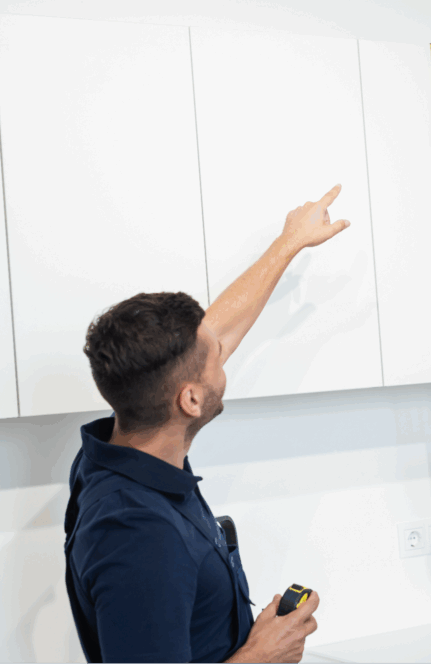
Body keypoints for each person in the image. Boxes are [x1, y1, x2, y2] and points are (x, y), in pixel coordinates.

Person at [64, 185, 349, 663]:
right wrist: (262, 655)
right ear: (191, 400)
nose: (224, 354)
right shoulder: (138, 535)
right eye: (216, 357)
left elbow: (219, 330)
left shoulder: (121, 447)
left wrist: (289, 242)